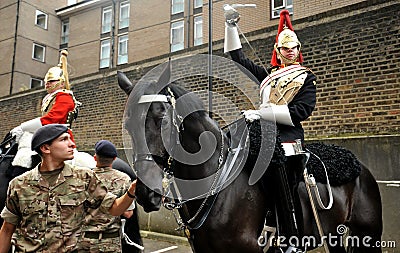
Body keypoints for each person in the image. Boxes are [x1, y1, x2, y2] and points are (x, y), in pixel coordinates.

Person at [224, 6, 317, 251]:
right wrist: (231, 26)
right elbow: (238, 58)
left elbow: (301, 112)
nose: (290, 51)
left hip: (288, 138)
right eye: (286, 47)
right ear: (278, 50)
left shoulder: (306, 78)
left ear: (299, 50)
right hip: (263, 134)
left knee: (280, 171)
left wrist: (261, 113)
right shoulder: (269, 76)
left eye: (294, 47)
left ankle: (292, 238)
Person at [0, 124, 136, 253]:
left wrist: (132, 191)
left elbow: (115, 208)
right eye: (64, 139)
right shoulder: (19, 185)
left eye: (70, 138)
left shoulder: (85, 177)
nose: (72, 144)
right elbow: (7, 229)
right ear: (46, 148)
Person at [10, 50, 81, 169]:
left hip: (60, 135)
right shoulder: (50, 97)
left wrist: (23, 127)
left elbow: (52, 119)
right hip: (49, 134)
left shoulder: (64, 96)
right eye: (46, 82)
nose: (47, 84)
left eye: (51, 81)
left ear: (62, 83)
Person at [78, 140, 141, 253]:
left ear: (95, 157)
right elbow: (128, 213)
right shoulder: (124, 179)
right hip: (110, 240)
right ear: (114, 159)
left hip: (85, 240)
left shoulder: (83, 177)